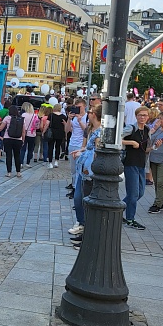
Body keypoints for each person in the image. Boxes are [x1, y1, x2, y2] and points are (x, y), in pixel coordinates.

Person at [69, 105, 102, 247]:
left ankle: (88, 237)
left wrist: (88, 161)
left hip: (90, 172)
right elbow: (89, 148)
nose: (87, 113)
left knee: (87, 202)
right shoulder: (90, 129)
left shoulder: (100, 132)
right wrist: (81, 150)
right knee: (79, 199)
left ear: (94, 114)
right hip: (83, 169)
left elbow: (97, 152)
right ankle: (84, 230)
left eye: (90, 112)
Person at [122, 107, 151, 230]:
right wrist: (131, 143)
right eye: (140, 115)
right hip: (130, 163)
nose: (142, 117)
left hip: (141, 164)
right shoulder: (131, 128)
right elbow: (117, 138)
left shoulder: (147, 130)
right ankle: (130, 219)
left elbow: (144, 149)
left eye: (145, 115)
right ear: (136, 116)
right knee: (133, 194)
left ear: (148, 117)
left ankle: (118, 208)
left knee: (140, 192)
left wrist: (154, 147)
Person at [65, 98, 88, 193]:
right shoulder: (74, 117)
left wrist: (79, 121)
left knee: (79, 168)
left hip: (80, 144)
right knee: (73, 168)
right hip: (72, 143)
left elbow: (87, 131)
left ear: (85, 106)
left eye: (80, 107)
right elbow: (67, 130)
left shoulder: (87, 117)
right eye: (76, 107)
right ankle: (74, 186)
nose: (78, 109)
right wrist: (69, 119)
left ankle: (77, 189)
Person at [0, 105, 24, 178]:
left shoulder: (8, 118)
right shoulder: (21, 119)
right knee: (17, 155)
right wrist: (23, 140)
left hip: (8, 138)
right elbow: (23, 131)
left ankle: (9, 172)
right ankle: (18, 172)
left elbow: (1, 128)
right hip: (18, 139)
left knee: (9, 156)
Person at [19, 101, 39, 167]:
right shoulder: (35, 116)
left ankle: (21, 162)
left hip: (24, 133)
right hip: (32, 134)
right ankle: (28, 162)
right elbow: (37, 126)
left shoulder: (23, 115)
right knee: (30, 149)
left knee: (23, 148)